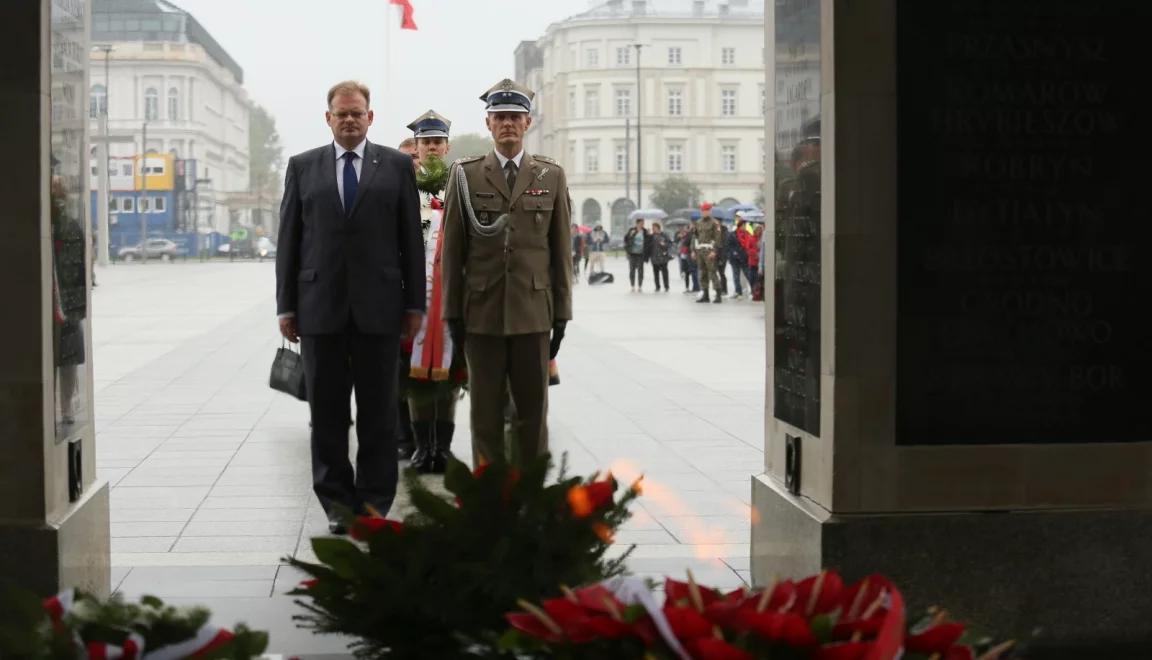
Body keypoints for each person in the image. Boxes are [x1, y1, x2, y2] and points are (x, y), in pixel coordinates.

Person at [276, 80, 425, 535]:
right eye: (341, 113)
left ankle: (375, 502)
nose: (349, 120)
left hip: (380, 311)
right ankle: (339, 506)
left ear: (370, 117)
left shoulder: (397, 166)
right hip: (319, 310)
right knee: (327, 415)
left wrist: (414, 304)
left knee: (379, 413)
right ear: (328, 118)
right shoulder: (303, 167)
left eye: (357, 113)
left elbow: (410, 243)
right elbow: (289, 240)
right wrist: (286, 307)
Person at [441, 78, 573, 467]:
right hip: (480, 315)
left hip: (533, 314)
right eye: (500, 117)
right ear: (488, 123)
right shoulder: (465, 176)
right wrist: (452, 314)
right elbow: (453, 253)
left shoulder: (551, 176)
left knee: (533, 415)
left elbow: (560, 251)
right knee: (484, 414)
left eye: (515, 117)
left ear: (528, 122)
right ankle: (490, 499)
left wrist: (561, 314)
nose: (508, 124)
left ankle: (529, 497)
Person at [404, 109, 466, 474]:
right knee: (413, 376)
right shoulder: (404, 186)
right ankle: (419, 445)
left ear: (447, 147)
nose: (431, 147)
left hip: (450, 293)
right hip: (414, 294)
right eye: (425, 142)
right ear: (417, 146)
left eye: (437, 142)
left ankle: (442, 446)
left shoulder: (461, 185)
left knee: (451, 374)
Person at [693, 202, 723, 304]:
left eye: (706, 210)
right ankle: (705, 295)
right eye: (702, 210)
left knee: (712, 273)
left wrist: (714, 251)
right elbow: (695, 237)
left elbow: (718, 239)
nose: (704, 212)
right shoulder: (698, 222)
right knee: (702, 273)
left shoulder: (715, 223)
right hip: (700, 251)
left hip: (709, 251)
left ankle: (718, 295)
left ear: (710, 211)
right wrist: (693, 250)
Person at [726, 214, 752, 300]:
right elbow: (729, 246)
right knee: (736, 276)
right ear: (740, 226)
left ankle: (755, 290)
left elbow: (750, 245)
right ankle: (738, 292)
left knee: (748, 274)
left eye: (745, 225)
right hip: (735, 259)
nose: (745, 227)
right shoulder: (733, 234)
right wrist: (733, 253)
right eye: (744, 225)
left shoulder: (748, 234)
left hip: (744, 258)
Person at [623, 218, 650, 291]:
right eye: (641, 223)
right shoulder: (632, 230)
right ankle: (632, 285)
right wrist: (630, 235)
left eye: (643, 223)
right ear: (637, 223)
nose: (642, 224)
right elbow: (626, 239)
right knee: (632, 270)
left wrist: (648, 235)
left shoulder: (645, 231)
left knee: (640, 270)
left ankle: (640, 286)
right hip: (632, 253)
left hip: (641, 253)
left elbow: (648, 242)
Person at [649, 221, 673, 292]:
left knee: (665, 272)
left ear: (658, 228)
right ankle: (657, 286)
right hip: (654, 257)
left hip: (663, 257)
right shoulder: (651, 236)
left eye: (654, 228)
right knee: (655, 273)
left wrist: (664, 244)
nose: (653, 229)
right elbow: (648, 245)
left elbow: (670, 244)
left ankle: (666, 286)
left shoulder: (664, 235)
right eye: (652, 228)